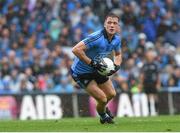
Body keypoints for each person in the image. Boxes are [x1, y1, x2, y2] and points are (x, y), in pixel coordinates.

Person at [70, 12, 122, 124]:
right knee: (103, 99)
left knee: (112, 94)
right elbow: (75, 50)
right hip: (81, 72)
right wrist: (92, 63)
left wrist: (117, 65)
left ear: (118, 26)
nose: (112, 25)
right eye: (109, 22)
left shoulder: (117, 39)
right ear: (104, 24)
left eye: (115, 23)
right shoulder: (96, 37)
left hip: (97, 68)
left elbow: (118, 54)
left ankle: (102, 107)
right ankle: (103, 116)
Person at [139, 50, 161, 116]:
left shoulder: (155, 65)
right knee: (148, 97)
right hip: (146, 83)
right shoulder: (144, 65)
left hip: (154, 82)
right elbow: (142, 75)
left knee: (155, 96)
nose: (150, 56)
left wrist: (158, 83)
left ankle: (157, 111)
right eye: (148, 55)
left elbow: (158, 75)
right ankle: (149, 112)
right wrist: (141, 83)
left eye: (151, 55)